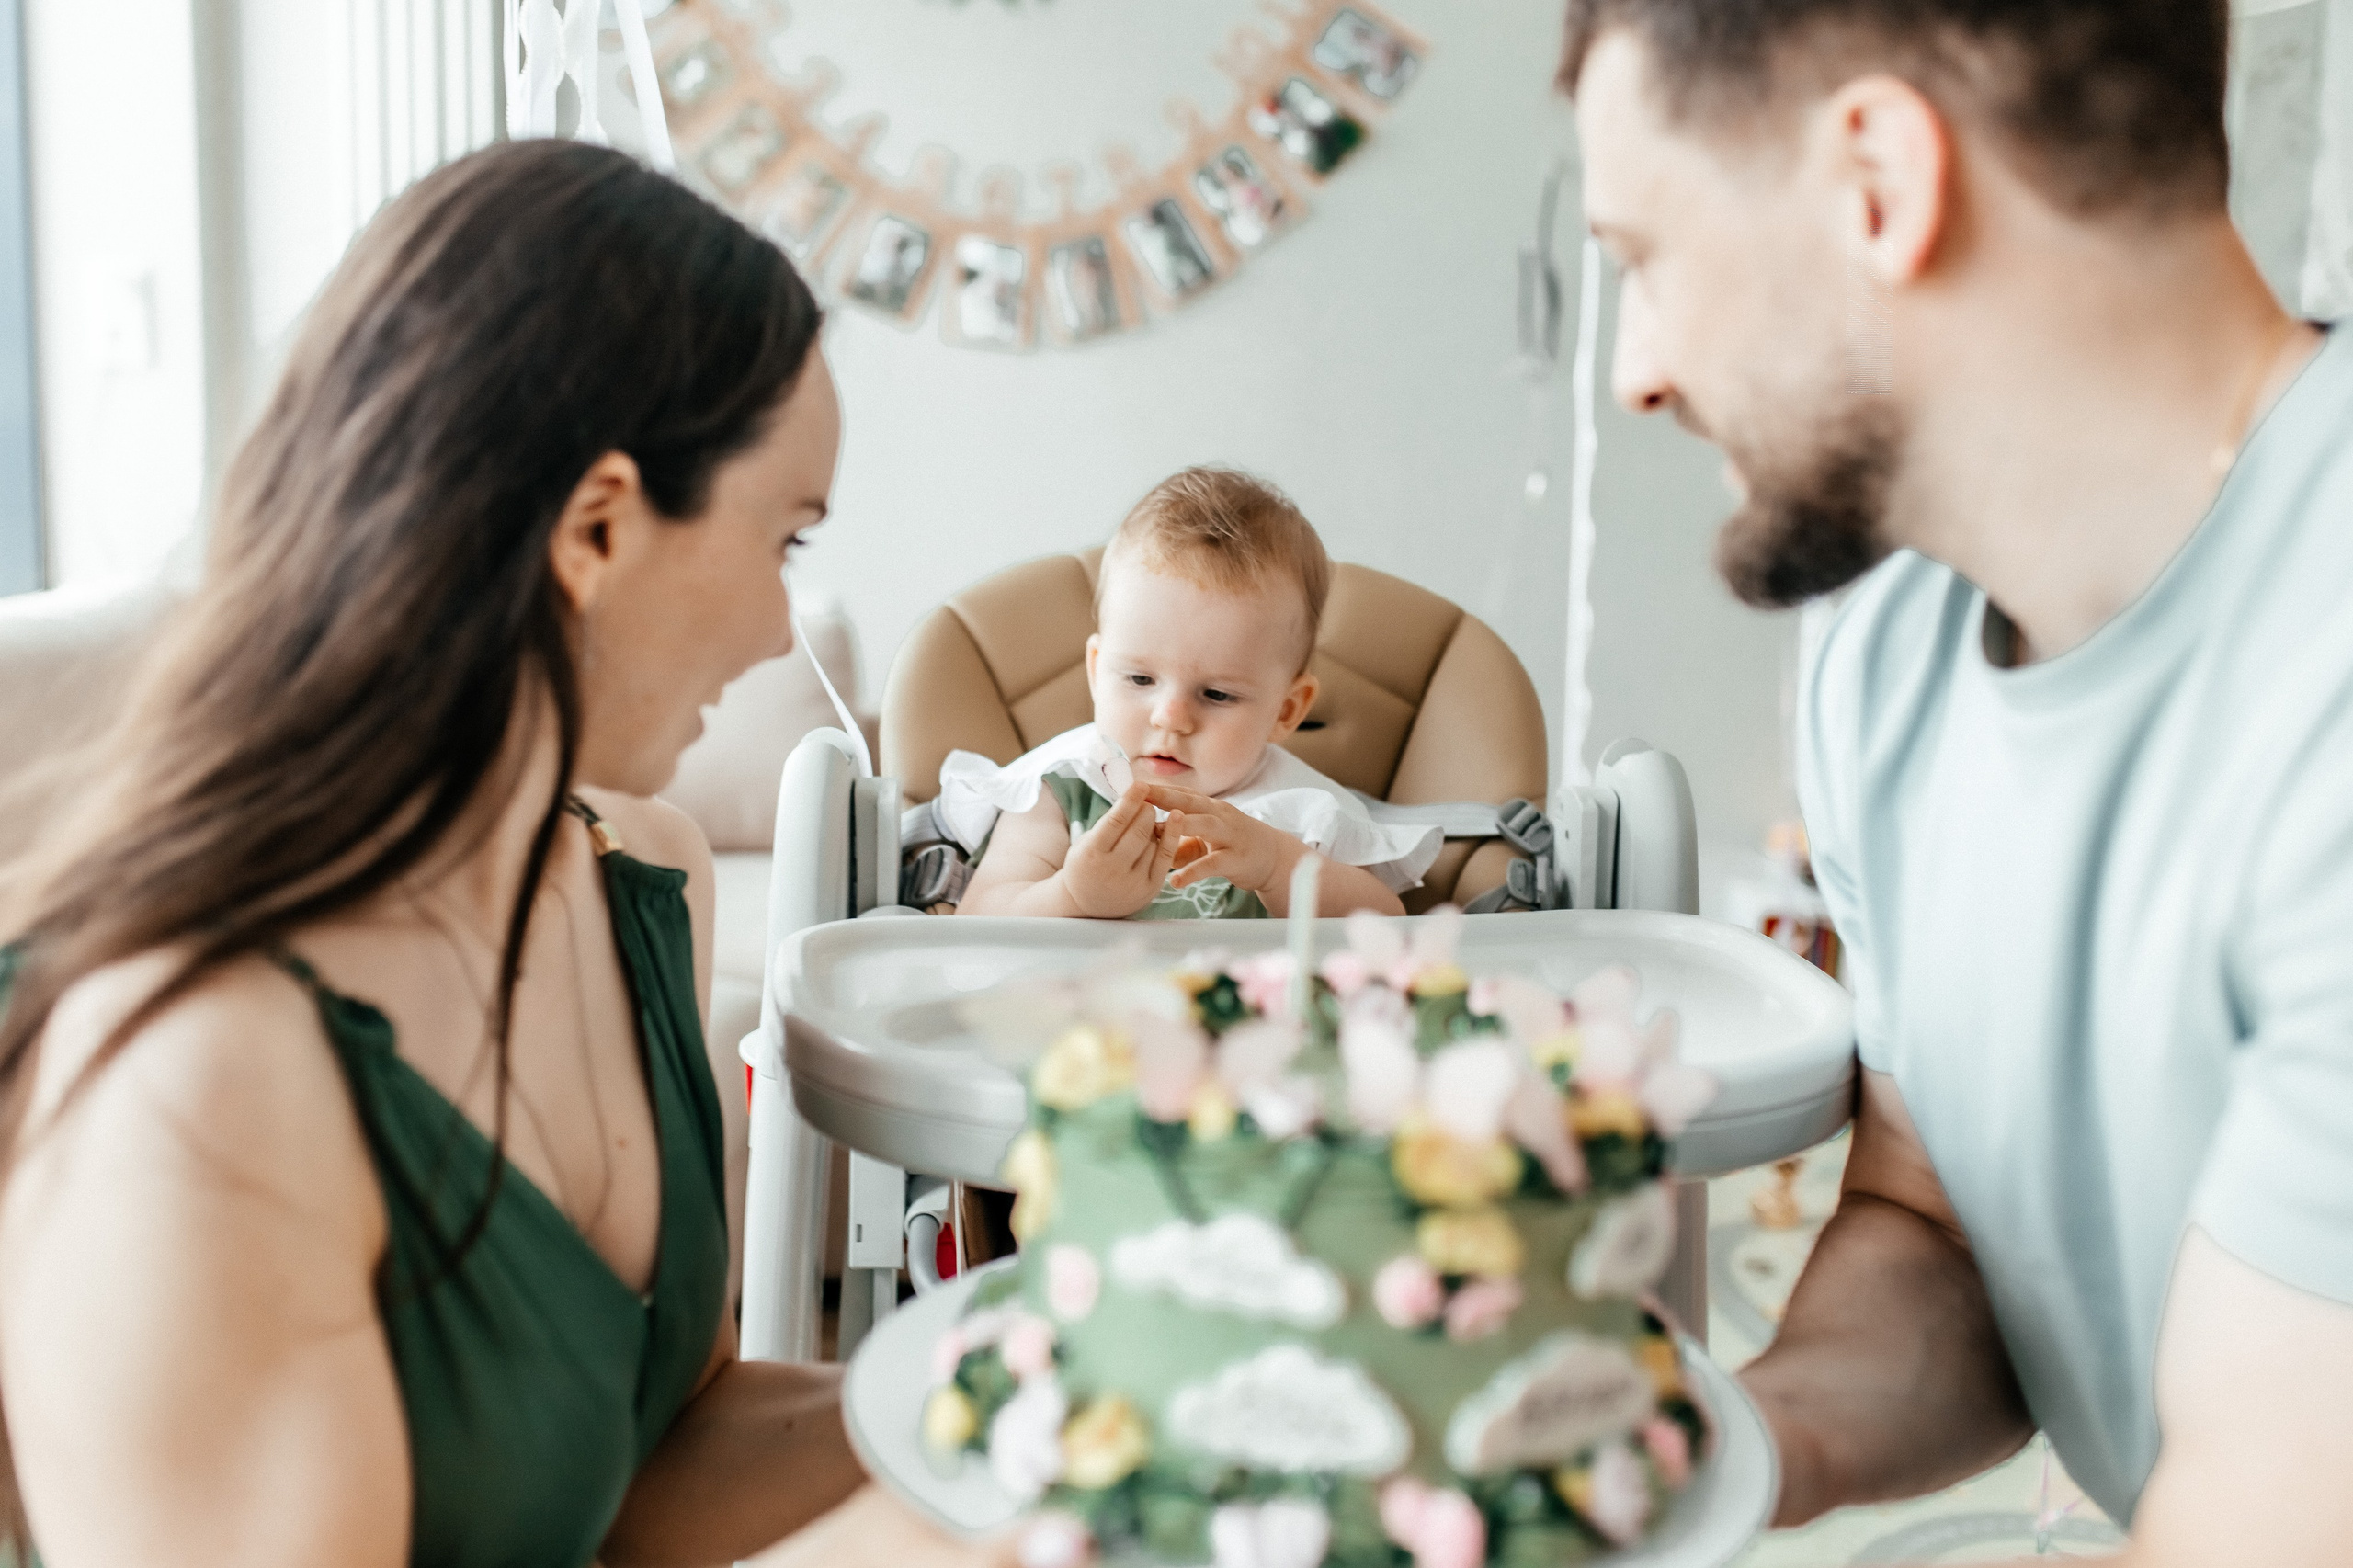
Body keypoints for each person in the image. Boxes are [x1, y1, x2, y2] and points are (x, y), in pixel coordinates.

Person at [0, 141, 869, 1566]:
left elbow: (654, 1461)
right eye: (787, 539)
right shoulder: (194, 1062)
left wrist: (1030, 1388)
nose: (785, 632)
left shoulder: (639, 881)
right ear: (596, 525)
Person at [1559, 0, 2350, 1562]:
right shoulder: (1890, 651)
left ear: (1877, 184)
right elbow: (1942, 1234)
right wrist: (1718, 1450)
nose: (1634, 376)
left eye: (1645, 256)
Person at [950, 467, 1436, 922]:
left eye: (1218, 695)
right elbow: (979, 915)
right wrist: (1071, 896)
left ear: (1285, 711)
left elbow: (1386, 927)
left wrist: (1276, 866)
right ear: (1097, 672)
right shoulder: (1061, 790)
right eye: (1140, 680)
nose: (1171, 717)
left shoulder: (1303, 816)